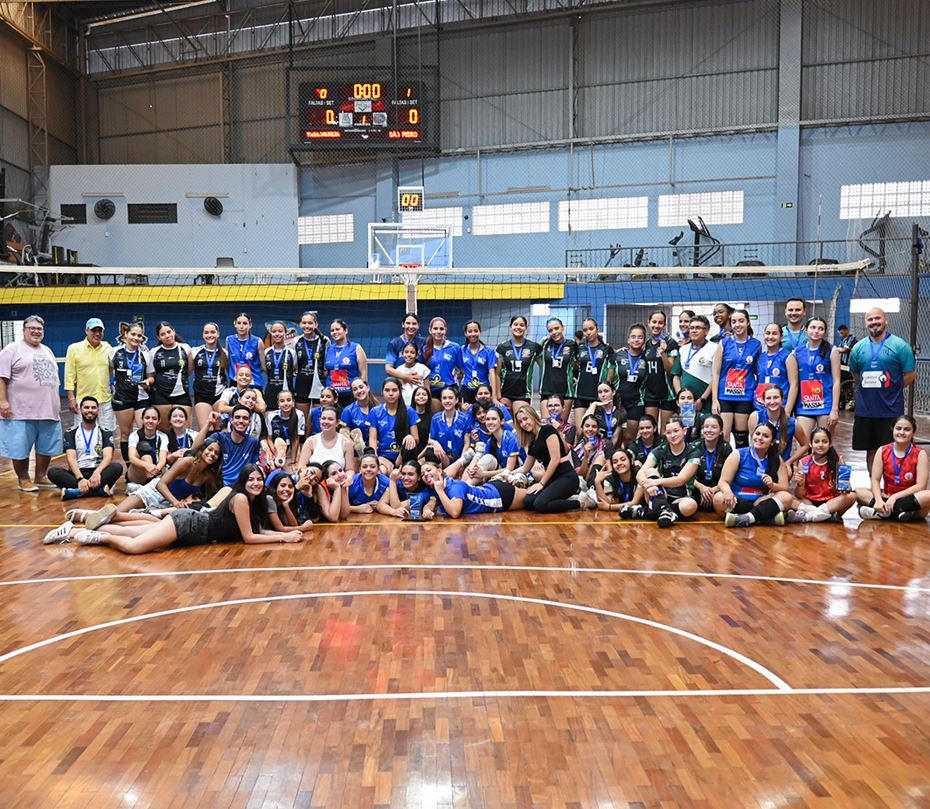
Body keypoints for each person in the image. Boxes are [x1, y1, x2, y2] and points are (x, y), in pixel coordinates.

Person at [43, 465, 304, 550]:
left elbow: (257, 529)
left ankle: (79, 527)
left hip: (193, 531)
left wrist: (285, 535)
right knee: (135, 547)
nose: (257, 483)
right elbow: (249, 538)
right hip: (188, 524)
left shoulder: (252, 502)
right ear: (244, 482)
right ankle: (90, 535)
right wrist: (284, 537)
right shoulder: (240, 499)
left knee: (137, 535)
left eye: (260, 479)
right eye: (252, 480)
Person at [847, 307, 917, 471]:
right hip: (865, 410)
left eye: (877, 318)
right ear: (866, 323)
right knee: (871, 450)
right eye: (870, 319)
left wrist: (892, 388)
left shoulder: (900, 346)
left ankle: (893, 486)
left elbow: (910, 374)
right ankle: (874, 487)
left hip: (891, 410)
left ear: (886, 320)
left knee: (894, 450)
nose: (874, 322)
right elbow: (856, 375)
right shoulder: (858, 348)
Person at [0, 315, 62, 491]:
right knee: (20, 447)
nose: (36, 331)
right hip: (21, 411)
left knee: (46, 447)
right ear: (24, 330)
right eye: (32, 328)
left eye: (39, 329)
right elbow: (1, 377)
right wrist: (3, 401)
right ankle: (23, 479)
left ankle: (41, 476)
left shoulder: (47, 350)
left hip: (48, 409)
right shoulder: (11, 349)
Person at [117, 428, 222, 513]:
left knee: (128, 523)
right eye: (210, 449)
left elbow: (215, 496)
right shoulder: (186, 462)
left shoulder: (208, 476)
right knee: (116, 513)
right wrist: (176, 503)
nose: (212, 454)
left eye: (216, 453)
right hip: (153, 493)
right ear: (202, 449)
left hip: (167, 506)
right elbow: (160, 484)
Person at [714, 422, 792, 527]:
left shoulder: (777, 459)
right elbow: (723, 481)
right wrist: (727, 491)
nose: (759, 438)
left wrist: (773, 485)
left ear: (772, 442)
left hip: (762, 500)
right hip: (738, 499)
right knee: (718, 498)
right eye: (757, 434)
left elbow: (785, 487)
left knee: (787, 497)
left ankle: (746, 518)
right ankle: (763, 517)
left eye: (765, 436)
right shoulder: (738, 454)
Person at [513, 405, 588, 513]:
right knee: (528, 502)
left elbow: (555, 459)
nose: (524, 424)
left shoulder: (547, 430)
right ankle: (566, 498)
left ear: (533, 416)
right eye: (520, 422)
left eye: (525, 419)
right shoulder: (532, 441)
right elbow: (525, 468)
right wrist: (507, 473)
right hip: (552, 479)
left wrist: (541, 483)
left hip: (566, 477)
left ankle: (580, 502)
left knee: (540, 504)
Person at [856, 415, 930, 522]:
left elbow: (921, 486)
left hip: (909, 497)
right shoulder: (883, 450)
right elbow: (875, 480)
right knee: (858, 492)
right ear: (892, 429)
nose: (902, 432)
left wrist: (895, 497)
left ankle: (883, 513)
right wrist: (878, 500)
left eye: (907, 429)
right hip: (886, 496)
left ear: (913, 432)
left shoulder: (920, 454)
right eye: (898, 428)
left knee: (928, 495)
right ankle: (901, 512)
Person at [47, 396, 123, 499]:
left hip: (98, 472)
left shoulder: (105, 432)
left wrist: (97, 473)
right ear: (80, 409)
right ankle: (99, 491)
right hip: (78, 473)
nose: (90, 410)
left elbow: (108, 457)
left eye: (93, 408)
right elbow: (71, 458)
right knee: (53, 472)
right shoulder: (71, 433)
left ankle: (75, 492)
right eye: (86, 407)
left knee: (117, 468)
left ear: (98, 410)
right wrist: (80, 479)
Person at [630, 416, 700, 527]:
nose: (673, 435)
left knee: (691, 505)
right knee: (650, 471)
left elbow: (681, 480)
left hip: (681, 498)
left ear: (685, 431)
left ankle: (646, 512)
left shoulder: (694, 452)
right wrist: (648, 484)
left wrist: (656, 482)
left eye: (676, 431)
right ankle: (664, 511)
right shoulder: (660, 450)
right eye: (668, 432)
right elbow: (640, 473)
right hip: (660, 494)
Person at [711, 309, 762, 446]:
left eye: (741, 321)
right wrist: (715, 399)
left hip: (745, 396)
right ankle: (724, 465)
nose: (737, 324)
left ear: (748, 322)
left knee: (741, 437)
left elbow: (758, 371)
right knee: (724, 436)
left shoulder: (756, 344)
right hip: (725, 396)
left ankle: (742, 465)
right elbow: (715, 373)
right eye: (734, 321)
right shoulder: (724, 343)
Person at [787, 427, 856, 523]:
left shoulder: (839, 460)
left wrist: (844, 483)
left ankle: (809, 516)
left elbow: (846, 490)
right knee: (788, 498)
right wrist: (799, 484)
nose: (820, 445)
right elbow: (799, 495)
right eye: (816, 441)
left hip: (831, 502)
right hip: (810, 502)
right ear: (811, 444)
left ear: (830, 444)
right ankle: (823, 515)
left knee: (852, 496)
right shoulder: (804, 462)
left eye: (824, 442)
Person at [110, 321, 154, 463]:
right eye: (133, 334)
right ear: (126, 335)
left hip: (141, 397)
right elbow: (108, 370)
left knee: (145, 431)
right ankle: (130, 466)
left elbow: (151, 377)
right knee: (125, 433)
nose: (136, 338)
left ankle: (146, 463)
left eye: (139, 336)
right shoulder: (114, 352)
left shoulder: (146, 355)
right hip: (122, 398)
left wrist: (148, 382)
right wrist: (112, 384)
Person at [64, 317, 115, 431]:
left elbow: (111, 366)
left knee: (107, 434)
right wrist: (71, 398)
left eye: (100, 331)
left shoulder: (107, 347)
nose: (97, 333)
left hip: (105, 401)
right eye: (94, 330)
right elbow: (69, 376)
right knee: (83, 434)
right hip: (84, 402)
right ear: (87, 331)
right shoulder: (74, 349)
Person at [425, 462, 530, 517]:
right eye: (422, 474)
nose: (426, 474)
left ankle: (531, 480)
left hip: (499, 496)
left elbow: (455, 512)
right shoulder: (437, 487)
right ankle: (516, 479)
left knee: (533, 499)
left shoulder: (453, 487)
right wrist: (427, 510)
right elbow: (432, 501)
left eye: (428, 470)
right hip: (490, 487)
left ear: (439, 470)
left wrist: (440, 491)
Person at [191, 406, 260, 487]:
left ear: (249, 422)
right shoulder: (220, 437)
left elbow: (253, 467)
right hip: (219, 485)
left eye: (245, 418)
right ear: (231, 420)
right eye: (237, 417)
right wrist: (209, 423)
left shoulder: (253, 442)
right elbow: (194, 449)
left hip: (240, 487)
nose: (241, 421)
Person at [794, 316, 840, 435]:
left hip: (825, 405)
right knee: (802, 444)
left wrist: (834, 409)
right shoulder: (797, 352)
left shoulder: (832, 350)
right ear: (806, 329)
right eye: (813, 327)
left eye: (820, 328)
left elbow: (836, 381)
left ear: (824, 332)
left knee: (824, 444)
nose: (816, 331)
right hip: (804, 405)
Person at [747, 385, 809, 468]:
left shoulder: (792, 423)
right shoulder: (755, 417)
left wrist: (788, 462)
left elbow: (805, 445)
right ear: (764, 401)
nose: (772, 402)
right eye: (768, 398)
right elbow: (753, 443)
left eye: (776, 397)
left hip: (781, 465)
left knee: (787, 473)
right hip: (759, 464)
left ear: (782, 399)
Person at [147, 321, 193, 431]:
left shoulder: (185, 348)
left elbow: (190, 370)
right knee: (165, 429)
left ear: (174, 331)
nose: (167, 336)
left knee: (183, 428)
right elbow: (150, 374)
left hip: (182, 393)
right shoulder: (154, 352)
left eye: (169, 332)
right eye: (163, 334)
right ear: (159, 337)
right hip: (161, 395)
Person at [368, 378, 420, 473]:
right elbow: (373, 439)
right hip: (383, 457)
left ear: (400, 392)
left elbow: (416, 439)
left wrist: (410, 437)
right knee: (380, 472)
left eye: (394, 390)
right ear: (382, 392)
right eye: (387, 390)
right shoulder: (375, 412)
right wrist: (375, 459)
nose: (390, 393)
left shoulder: (409, 411)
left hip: (404, 456)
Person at [572, 317, 615, 430]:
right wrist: (573, 378)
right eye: (585, 330)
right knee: (581, 431)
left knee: (597, 430)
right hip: (581, 394)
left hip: (598, 395)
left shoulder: (607, 349)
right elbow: (574, 365)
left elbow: (611, 371)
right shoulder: (580, 348)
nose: (588, 332)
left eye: (591, 329)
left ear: (597, 329)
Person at [672, 315, 717, 415]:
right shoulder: (683, 349)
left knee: (707, 429)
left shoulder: (715, 348)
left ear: (706, 331)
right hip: (687, 405)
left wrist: (702, 399)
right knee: (688, 428)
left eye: (698, 328)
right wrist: (682, 398)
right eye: (691, 328)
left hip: (706, 402)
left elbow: (716, 376)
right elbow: (676, 376)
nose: (693, 330)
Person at [642, 311, 678, 431]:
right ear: (648, 323)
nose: (656, 325)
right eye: (654, 322)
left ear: (664, 325)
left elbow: (670, 370)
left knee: (664, 431)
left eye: (660, 323)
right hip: (650, 393)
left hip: (667, 393)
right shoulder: (646, 344)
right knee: (650, 429)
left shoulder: (670, 342)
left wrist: (663, 353)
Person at [753, 321, 798, 417]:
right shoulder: (760, 357)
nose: (770, 337)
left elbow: (794, 385)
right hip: (760, 407)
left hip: (780, 407)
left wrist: (788, 410)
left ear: (781, 337)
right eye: (768, 333)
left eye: (774, 333)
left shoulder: (788, 357)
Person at [191, 322, 228, 435]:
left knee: (220, 429)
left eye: (212, 332)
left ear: (218, 334)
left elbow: (229, 371)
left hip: (219, 395)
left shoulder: (225, 353)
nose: (209, 335)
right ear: (202, 335)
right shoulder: (195, 351)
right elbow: (188, 372)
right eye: (206, 332)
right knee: (207, 430)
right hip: (202, 395)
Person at [496, 315, 540, 411]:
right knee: (507, 424)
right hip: (505, 393)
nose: (518, 327)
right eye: (515, 324)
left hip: (523, 393)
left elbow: (545, 367)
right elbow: (497, 374)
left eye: (522, 325)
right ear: (510, 327)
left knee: (521, 422)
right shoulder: (502, 347)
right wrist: (498, 395)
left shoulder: (534, 347)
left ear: (526, 328)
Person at [690, 414, 732, 513]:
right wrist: (702, 488)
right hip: (697, 490)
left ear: (721, 431)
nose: (709, 430)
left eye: (714, 427)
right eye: (706, 427)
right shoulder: (695, 446)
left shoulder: (726, 449)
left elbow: (730, 477)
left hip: (717, 490)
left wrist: (712, 490)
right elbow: (686, 475)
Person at [538, 318, 576, 422]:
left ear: (562, 328)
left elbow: (578, 362)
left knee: (561, 428)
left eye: (557, 328)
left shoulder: (572, 345)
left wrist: (575, 377)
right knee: (547, 428)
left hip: (565, 392)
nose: (554, 332)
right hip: (547, 390)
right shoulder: (545, 343)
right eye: (550, 330)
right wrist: (545, 367)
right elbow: (535, 357)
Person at [615, 323, 647, 445]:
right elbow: (609, 378)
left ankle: (628, 460)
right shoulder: (618, 355)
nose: (636, 340)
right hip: (618, 401)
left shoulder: (647, 358)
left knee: (629, 437)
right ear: (628, 339)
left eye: (640, 337)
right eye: (633, 337)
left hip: (636, 402)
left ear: (644, 340)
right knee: (616, 437)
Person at [294, 311, 329, 419]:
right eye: (304, 323)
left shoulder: (324, 341)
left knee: (319, 418)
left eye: (310, 323)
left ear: (316, 324)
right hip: (302, 385)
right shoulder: (295, 341)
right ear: (300, 324)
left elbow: (327, 362)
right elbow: (294, 364)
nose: (307, 326)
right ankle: (304, 437)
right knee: (302, 418)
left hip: (319, 385)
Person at [347, 452, 406, 516]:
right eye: (364, 467)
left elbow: (394, 505)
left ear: (378, 470)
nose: (368, 469)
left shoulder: (387, 483)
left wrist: (381, 505)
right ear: (360, 470)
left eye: (372, 467)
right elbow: (341, 507)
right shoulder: (351, 483)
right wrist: (357, 509)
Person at [423, 317, 463, 410]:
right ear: (430, 330)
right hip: (433, 390)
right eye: (435, 328)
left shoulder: (454, 347)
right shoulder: (424, 348)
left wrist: (457, 375)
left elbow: (462, 370)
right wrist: (427, 393)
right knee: (436, 418)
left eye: (441, 329)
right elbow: (423, 372)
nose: (438, 331)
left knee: (451, 418)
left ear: (445, 330)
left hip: (450, 388)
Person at [326, 318, 368, 407]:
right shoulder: (329, 349)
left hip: (350, 393)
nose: (335, 332)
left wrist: (364, 395)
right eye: (332, 330)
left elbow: (363, 374)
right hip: (333, 394)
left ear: (345, 330)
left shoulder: (356, 348)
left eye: (338, 329)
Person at [299, 404, 354, 471]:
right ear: (320, 420)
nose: (326, 422)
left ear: (337, 423)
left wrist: (348, 479)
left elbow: (350, 470)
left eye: (330, 419)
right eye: (323, 418)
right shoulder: (310, 441)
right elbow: (301, 468)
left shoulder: (346, 443)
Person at [126, 405, 169, 487]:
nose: (150, 421)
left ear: (159, 421)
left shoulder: (163, 437)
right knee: (146, 456)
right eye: (147, 418)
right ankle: (148, 486)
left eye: (154, 418)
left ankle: (152, 485)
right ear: (142, 419)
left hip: (156, 472)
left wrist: (155, 469)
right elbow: (131, 458)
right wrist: (147, 466)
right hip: (138, 474)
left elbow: (162, 460)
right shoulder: (134, 435)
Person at [460, 320, 499, 408]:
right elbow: (461, 369)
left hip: (483, 390)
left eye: (476, 331)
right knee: (466, 414)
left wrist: (494, 396)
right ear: (465, 334)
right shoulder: (461, 350)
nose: (473, 334)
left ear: (480, 332)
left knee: (483, 414)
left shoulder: (488, 351)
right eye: (470, 331)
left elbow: (492, 373)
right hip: (466, 388)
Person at [427, 386, 469, 467]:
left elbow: (467, 443)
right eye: (444, 398)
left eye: (450, 398)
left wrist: (461, 462)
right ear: (441, 400)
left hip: (460, 458)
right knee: (429, 453)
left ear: (456, 400)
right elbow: (430, 439)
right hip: (442, 458)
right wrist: (435, 444)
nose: (447, 401)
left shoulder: (465, 418)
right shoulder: (436, 418)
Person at [264, 390, 305, 470]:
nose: (286, 403)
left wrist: (293, 462)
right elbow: (269, 438)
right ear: (278, 404)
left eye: (288, 400)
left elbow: (296, 439)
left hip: (292, 450)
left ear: (293, 402)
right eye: (282, 401)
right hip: (276, 449)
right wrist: (276, 454)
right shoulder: (271, 416)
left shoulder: (299, 415)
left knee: (293, 470)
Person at [384, 313, 427, 386]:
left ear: (418, 326)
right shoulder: (394, 343)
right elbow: (388, 369)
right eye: (408, 323)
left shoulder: (423, 342)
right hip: (400, 383)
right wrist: (407, 377)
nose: (411, 326)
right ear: (403, 325)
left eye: (414, 324)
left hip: (419, 383)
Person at [593, 447, 640, 512]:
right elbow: (605, 503)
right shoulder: (610, 478)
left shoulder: (639, 475)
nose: (619, 463)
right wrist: (597, 482)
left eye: (623, 460)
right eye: (615, 462)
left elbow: (635, 502)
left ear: (631, 461)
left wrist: (609, 507)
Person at [262, 320, 297, 408]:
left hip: (287, 391)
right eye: (274, 331)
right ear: (271, 333)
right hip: (271, 391)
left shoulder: (292, 352)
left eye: (280, 331)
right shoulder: (266, 352)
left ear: (285, 333)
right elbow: (266, 370)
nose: (277, 334)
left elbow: (295, 369)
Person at [225, 312, 264, 388]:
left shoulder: (258, 341)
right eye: (239, 323)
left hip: (253, 382)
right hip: (235, 381)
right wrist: (233, 373)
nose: (241, 326)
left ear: (250, 325)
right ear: (235, 324)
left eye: (245, 323)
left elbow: (263, 367)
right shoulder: (229, 340)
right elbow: (227, 363)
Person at [397, 342, 431, 407]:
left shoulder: (423, 369)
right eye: (406, 352)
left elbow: (428, 390)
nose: (409, 355)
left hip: (419, 405)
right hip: (404, 404)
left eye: (412, 352)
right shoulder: (399, 370)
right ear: (402, 354)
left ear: (417, 355)